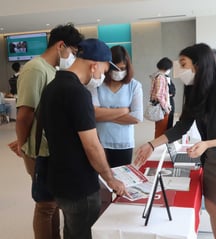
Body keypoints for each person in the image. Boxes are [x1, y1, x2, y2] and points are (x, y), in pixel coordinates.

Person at [135, 43, 216, 239]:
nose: (179, 70)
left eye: (183, 64)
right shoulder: (194, 92)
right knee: (212, 210)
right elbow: (182, 126)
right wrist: (151, 145)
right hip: (212, 163)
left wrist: (207, 144)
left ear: (199, 65)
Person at [40, 38, 127, 239]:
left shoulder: (52, 86)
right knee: (82, 233)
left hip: (59, 178)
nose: (102, 76)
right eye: (104, 71)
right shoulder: (78, 93)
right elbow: (91, 146)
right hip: (79, 184)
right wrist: (110, 179)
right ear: (94, 65)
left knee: (71, 230)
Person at [8, 23, 84, 239]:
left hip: (50, 148)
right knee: (46, 205)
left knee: (54, 203)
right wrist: (24, 147)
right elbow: (25, 115)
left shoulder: (53, 70)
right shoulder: (35, 68)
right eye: (73, 52)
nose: (73, 57)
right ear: (61, 45)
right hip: (38, 149)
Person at [87, 45, 143, 168]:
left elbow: (137, 117)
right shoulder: (97, 84)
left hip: (124, 143)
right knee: (101, 181)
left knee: (122, 180)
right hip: (100, 142)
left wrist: (104, 115)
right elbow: (93, 114)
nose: (118, 72)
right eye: (115, 68)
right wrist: (124, 110)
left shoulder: (134, 86)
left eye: (122, 68)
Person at [149, 57, 172, 138]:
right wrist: (166, 108)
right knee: (161, 130)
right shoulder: (161, 77)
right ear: (167, 67)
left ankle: (157, 147)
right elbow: (159, 95)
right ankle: (158, 148)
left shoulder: (155, 75)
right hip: (161, 108)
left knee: (159, 128)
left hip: (158, 106)